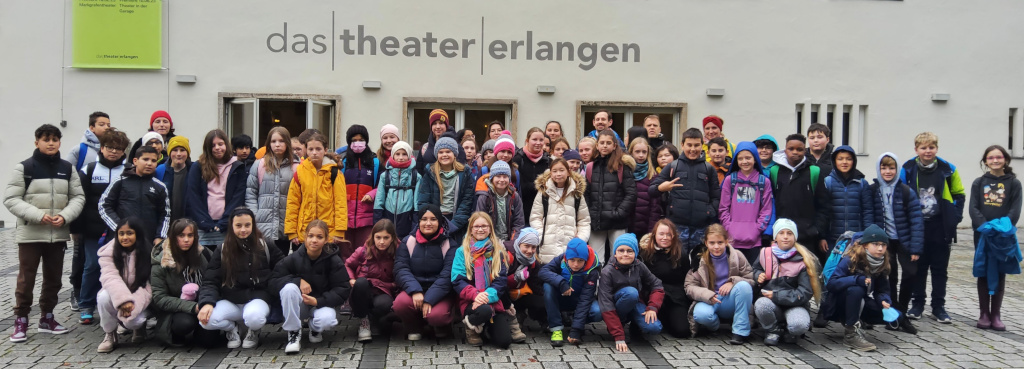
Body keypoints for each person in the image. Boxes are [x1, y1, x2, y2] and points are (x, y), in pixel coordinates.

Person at [4, 124, 85, 342]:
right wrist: (37, 215)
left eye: (55, 139)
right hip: (30, 235)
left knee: (53, 280)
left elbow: (78, 197)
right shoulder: (24, 168)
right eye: (46, 139)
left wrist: (66, 216)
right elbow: (11, 199)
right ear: (36, 142)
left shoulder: (68, 169)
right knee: (25, 280)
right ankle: (20, 321)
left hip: (57, 235)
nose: (51, 143)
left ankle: (47, 318)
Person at [899, 132, 965, 323]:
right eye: (923, 147)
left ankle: (939, 307)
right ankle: (917, 304)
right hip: (917, 227)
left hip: (940, 226)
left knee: (939, 269)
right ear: (916, 150)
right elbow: (901, 194)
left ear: (936, 148)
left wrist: (954, 218)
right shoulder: (908, 168)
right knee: (918, 267)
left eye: (931, 147)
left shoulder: (948, 169)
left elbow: (959, 194)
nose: (928, 151)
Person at [197, 208, 285, 349]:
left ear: (253, 225)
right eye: (238, 226)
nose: (243, 229)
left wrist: (272, 290)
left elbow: (283, 269)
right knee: (206, 321)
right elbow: (210, 280)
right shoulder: (222, 249)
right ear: (232, 226)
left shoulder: (266, 245)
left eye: (247, 225)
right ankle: (232, 329)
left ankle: (253, 330)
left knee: (254, 318)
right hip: (231, 300)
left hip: (258, 299)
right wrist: (206, 302)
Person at [70, 128, 129, 324]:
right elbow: (79, 201)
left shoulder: (128, 170)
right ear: (102, 148)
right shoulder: (88, 170)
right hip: (93, 229)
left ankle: (117, 303)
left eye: (118, 148)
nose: (113, 151)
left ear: (123, 151)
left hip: (122, 230)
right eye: (109, 147)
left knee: (122, 267)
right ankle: (86, 304)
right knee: (92, 265)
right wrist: (76, 229)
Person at [271, 219, 350, 354]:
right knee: (289, 288)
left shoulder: (333, 260)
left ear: (326, 240)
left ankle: (315, 329)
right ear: (305, 237)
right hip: (299, 306)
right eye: (311, 236)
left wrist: (318, 301)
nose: (314, 240)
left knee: (328, 320)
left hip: (320, 303)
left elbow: (343, 289)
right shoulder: (293, 258)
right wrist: (298, 281)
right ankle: (294, 332)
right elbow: (273, 282)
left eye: (319, 237)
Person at [820, 225, 900, 352]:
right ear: (865, 245)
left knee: (895, 315)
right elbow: (832, 283)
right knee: (856, 289)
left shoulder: (882, 262)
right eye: (875, 244)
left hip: (861, 300)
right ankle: (851, 333)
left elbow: (882, 290)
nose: (880, 248)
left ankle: (859, 321)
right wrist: (857, 279)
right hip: (838, 303)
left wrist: (884, 301)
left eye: (883, 245)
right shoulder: (850, 259)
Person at [969, 145, 1022, 331]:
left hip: (1003, 235)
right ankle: (984, 313)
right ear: (986, 161)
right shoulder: (979, 182)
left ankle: (996, 315)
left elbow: (1014, 210)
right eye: (991, 158)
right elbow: (974, 207)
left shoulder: (1014, 183)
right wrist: (985, 226)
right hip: (983, 234)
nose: (995, 160)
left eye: (998, 157)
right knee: (983, 270)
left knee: (1000, 271)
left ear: (1005, 159)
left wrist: (1002, 228)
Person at [150, 218, 222, 348]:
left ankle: (201, 332)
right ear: (173, 237)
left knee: (209, 341)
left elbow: (215, 280)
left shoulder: (204, 253)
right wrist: (192, 307)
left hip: (204, 303)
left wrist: (208, 303)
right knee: (184, 324)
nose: (186, 240)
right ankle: (175, 333)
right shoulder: (162, 261)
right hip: (176, 309)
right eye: (181, 235)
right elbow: (159, 298)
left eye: (190, 235)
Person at [67, 111, 113, 312]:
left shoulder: (123, 163)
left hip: (113, 226)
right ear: (91, 127)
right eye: (101, 124)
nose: (106, 127)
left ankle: (105, 301)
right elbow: (72, 185)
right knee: (87, 263)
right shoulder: (81, 151)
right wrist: (75, 225)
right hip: (90, 224)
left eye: (108, 124)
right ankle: (81, 297)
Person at [870, 152, 923, 324]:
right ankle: (892, 310)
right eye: (883, 168)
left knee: (910, 273)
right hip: (884, 242)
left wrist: (915, 248)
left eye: (891, 168)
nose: (887, 171)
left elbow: (916, 220)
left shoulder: (906, 191)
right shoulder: (873, 190)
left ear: (897, 169)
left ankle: (903, 307)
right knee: (889, 275)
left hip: (904, 239)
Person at [751, 219, 823, 346]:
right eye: (781, 233)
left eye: (789, 233)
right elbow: (755, 269)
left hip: (795, 305)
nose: (785, 237)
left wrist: (777, 295)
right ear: (775, 237)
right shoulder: (765, 253)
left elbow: (805, 292)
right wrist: (758, 275)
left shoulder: (803, 260)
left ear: (794, 237)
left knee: (798, 325)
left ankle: (791, 331)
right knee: (761, 304)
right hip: (772, 304)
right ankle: (773, 330)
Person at [393, 205, 458, 341]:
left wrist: (430, 298)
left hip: (441, 293)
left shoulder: (449, 244)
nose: (428, 223)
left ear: (440, 221)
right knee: (400, 304)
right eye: (424, 219)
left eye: (433, 219)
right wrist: (415, 290)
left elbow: (448, 274)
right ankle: (414, 326)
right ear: (419, 222)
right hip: (415, 288)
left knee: (436, 316)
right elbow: (401, 269)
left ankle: (441, 325)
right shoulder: (408, 242)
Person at [650, 128, 720, 252]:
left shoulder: (709, 168)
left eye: (696, 145)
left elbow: (716, 196)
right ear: (682, 145)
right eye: (689, 145)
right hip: (677, 226)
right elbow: (652, 190)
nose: (693, 149)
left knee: (698, 263)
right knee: (677, 262)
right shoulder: (673, 166)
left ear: (702, 145)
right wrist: (662, 188)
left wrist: (709, 212)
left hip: (701, 227)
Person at [684, 224, 754, 344]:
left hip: (730, 300)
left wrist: (732, 281)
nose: (716, 246)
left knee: (744, 286)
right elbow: (689, 286)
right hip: (710, 301)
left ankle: (740, 331)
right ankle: (715, 327)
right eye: (712, 243)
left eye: (720, 242)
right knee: (701, 314)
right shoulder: (699, 259)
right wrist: (707, 295)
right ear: (706, 243)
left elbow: (750, 280)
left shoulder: (737, 256)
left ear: (726, 242)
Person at [451, 212, 513, 348]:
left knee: (504, 342)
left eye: (484, 226)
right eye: (476, 226)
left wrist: (487, 296)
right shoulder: (462, 252)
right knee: (484, 311)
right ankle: (471, 324)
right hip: (470, 301)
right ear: (471, 229)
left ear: (490, 228)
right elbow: (457, 280)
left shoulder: (498, 252)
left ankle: (485, 328)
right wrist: (476, 295)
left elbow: (501, 280)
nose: (480, 229)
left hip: (492, 299)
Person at [95, 218, 153, 353]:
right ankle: (110, 334)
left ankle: (139, 328)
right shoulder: (108, 252)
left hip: (140, 296)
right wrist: (123, 300)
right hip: (117, 295)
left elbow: (148, 285)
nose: (125, 237)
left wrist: (133, 304)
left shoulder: (147, 251)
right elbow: (110, 277)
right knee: (103, 297)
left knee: (133, 322)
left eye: (129, 233)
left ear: (137, 234)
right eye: (121, 234)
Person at [598, 233, 664, 352]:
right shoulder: (607, 272)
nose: (625, 254)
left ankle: (635, 324)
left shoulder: (639, 266)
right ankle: (620, 325)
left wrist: (652, 307)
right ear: (615, 253)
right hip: (616, 304)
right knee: (631, 293)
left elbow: (657, 285)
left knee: (654, 327)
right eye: (621, 250)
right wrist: (619, 336)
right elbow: (606, 304)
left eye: (630, 251)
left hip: (635, 302)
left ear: (635, 253)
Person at [770, 134, 831, 261]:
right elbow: (770, 204)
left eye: (799, 149)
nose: (795, 152)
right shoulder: (775, 171)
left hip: (807, 237)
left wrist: (816, 230)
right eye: (791, 149)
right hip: (782, 237)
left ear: (805, 150)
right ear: (785, 150)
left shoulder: (814, 172)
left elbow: (823, 206)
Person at [285, 132, 348, 251]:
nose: (314, 152)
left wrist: (339, 231)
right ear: (306, 150)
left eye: (318, 149)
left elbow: (340, 204)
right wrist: (291, 231)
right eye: (311, 149)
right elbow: (293, 203)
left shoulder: (334, 173)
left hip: (327, 234)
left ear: (325, 150)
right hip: (304, 234)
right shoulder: (300, 172)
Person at [187, 130, 247, 249]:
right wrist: (204, 222)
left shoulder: (237, 166)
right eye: (213, 145)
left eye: (220, 144)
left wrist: (225, 221)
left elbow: (238, 196)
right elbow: (193, 196)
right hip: (203, 226)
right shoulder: (198, 166)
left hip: (228, 225)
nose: (217, 148)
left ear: (226, 145)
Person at [99, 145, 170, 245]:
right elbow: (104, 205)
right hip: (121, 242)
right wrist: (120, 228)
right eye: (145, 159)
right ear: (135, 161)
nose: (149, 163)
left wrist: (160, 236)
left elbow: (165, 214)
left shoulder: (160, 187)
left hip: (148, 241)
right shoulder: (120, 181)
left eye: (154, 161)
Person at [538, 237, 602, 347]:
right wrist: (561, 283)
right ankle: (556, 328)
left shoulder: (592, 271)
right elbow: (543, 272)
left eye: (580, 261)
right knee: (547, 286)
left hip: (579, 300)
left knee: (598, 311)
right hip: (561, 297)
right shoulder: (562, 259)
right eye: (572, 260)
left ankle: (574, 321)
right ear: (567, 258)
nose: (575, 264)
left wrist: (576, 331)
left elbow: (585, 300)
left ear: (585, 260)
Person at [719, 141, 774, 264]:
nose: (745, 161)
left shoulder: (763, 181)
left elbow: (766, 209)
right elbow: (723, 208)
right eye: (741, 158)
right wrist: (729, 227)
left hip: (754, 241)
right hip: (732, 239)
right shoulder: (730, 180)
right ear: (736, 161)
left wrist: (757, 229)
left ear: (755, 159)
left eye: (748, 158)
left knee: (752, 275)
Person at [586, 129, 637, 261]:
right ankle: (597, 282)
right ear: (597, 145)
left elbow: (631, 193)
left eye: (608, 143)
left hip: (617, 222)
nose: (605, 145)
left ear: (615, 145)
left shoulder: (622, 166)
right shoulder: (591, 167)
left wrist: (618, 213)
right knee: (596, 260)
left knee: (620, 258)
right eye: (601, 142)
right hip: (596, 222)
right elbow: (586, 194)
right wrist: (591, 213)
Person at [246, 127, 298, 255]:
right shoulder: (259, 165)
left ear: (287, 143)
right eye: (273, 141)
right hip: (263, 226)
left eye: (281, 141)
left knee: (281, 262)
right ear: (269, 143)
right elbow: (251, 193)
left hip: (285, 226)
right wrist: (255, 216)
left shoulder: (296, 167)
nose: (277, 144)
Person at [346, 219, 399, 342]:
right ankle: (363, 321)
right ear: (373, 237)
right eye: (378, 237)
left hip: (383, 290)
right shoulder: (362, 251)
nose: (381, 242)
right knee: (361, 283)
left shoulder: (398, 252)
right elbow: (347, 264)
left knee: (384, 304)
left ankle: (374, 318)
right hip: (362, 290)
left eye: (386, 238)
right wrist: (351, 279)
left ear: (392, 238)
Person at [530, 157, 590, 264]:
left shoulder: (576, 194)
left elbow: (584, 220)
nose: (558, 174)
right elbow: (536, 217)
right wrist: (541, 235)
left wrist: (580, 239)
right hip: (547, 246)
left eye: (562, 170)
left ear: (568, 172)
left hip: (570, 245)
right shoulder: (544, 193)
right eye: (555, 171)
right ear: (550, 173)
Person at [639, 219, 692, 338]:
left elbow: (686, 279)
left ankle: (669, 320)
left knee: (682, 331)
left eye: (668, 234)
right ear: (654, 235)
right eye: (661, 234)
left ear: (673, 236)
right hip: (652, 296)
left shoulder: (680, 254)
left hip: (675, 298)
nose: (665, 237)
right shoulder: (645, 252)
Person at [416, 136, 475, 242]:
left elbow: (466, 203)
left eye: (448, 151)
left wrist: (452, 226)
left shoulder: (465, 173)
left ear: (455, 154)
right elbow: (423, 202)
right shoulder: (430, 174)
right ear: (436, 155)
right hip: (435, 222)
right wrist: (434, 223)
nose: (444, 155)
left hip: (458, 224)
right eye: (441, 152)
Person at [340, 125, 384, 255]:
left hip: (366, 217)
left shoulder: (375, 162)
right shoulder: (342, 162)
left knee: (365, 253)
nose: (357, 143)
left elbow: (382, 185)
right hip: (345, 218)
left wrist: (372, 194)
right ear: (349, 142)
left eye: (361, 139)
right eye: (354, 140)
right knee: (345, 254)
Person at [824, 145, 875, 250]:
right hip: (833, 239)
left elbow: (868, 211)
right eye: (840, 159)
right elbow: (823, 212)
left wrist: (866, 235)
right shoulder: (828, 182)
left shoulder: (862, 183)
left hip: (856, 239)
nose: (844, 162)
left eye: (848, 159)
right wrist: (822, 237)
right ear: (834, 161)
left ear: (854, 161)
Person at [504, 228, 545, 343]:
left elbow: (535, 285)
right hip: (503, 294)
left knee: (541, 302)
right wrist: (515, 278)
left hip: (520, 294)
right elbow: (498, 282)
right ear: (519, 243)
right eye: (526, 246)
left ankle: (522, 313)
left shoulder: (533, 262)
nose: (530, 251)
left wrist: (544, 302)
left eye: (533, 247)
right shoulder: (507, 254)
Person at [374, 141, 419, 237]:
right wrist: (377, 224)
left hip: (407, 219)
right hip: (387, 217)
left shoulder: (415, 176)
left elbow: (417, 203)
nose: (401, 157)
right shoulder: (385, 176)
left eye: (404, 154)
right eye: (397, 154)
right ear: (393, 155)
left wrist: (414, 228)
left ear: (409, 156)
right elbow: (379, 201)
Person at [475, 160, 525, 246]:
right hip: (488, 241)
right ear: (492, 178)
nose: (502, 180)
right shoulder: (484, 197)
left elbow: (518, 223)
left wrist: (511, 243)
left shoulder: (514, 196)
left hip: (510, 240)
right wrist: (490, 242)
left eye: (505, 177)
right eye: (498, 176)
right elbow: (480, 222)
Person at [514, 128, 552, 217]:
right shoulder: (517, 159)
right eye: (534, 139)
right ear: (527, 140)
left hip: (542, 211)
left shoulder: (549, 161)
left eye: (541, 140)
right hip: (521, 210)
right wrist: (537, 185)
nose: (538, 143)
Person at [629, 138, 661, 240]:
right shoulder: (625, 173)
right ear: (631, 153)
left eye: (644, 152)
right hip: (627, 226)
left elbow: (655, 207)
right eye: (637, 152)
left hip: (645, 226)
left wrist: (651, 231)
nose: (641, 155)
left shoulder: (652, 175)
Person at [417, 110, 467, 174]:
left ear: (446, 126)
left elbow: (462, 172)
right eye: (434, 124)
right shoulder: (425, 148)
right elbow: (420, 171)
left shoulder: (456, 147)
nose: (438, 127)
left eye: (441, 123)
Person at [155, 136, 192, 223]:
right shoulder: (160, 170)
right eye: (175, 150)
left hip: (188, 222)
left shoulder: (194, 170)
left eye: (182, 150)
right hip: (165, 223)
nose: (178, 154)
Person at [754, 135, 780, 247]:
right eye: (760, 147)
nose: (764, 150)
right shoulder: (750, 168)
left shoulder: (779, 169)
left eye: (768, 147)